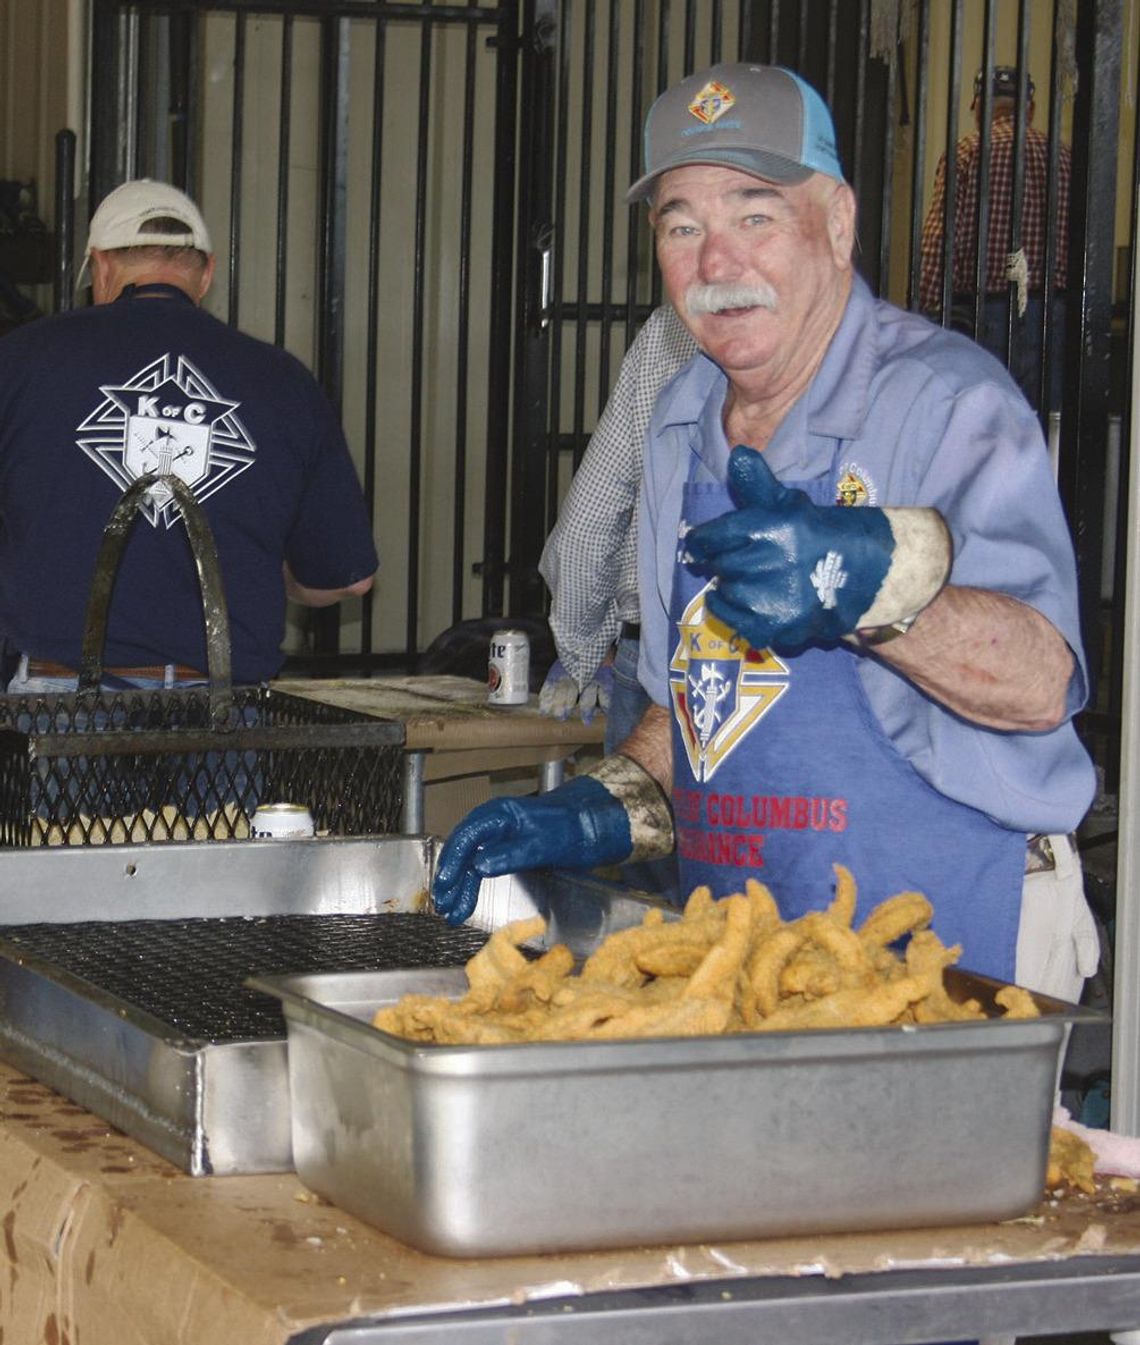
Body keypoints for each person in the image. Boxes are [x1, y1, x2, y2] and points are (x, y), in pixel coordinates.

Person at [432, 62, 1100, 1008]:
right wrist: (598, 809)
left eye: (755, 215)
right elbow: (700, 707)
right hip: (747, 951)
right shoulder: (678, 422)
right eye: (681, 225)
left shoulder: (947, 401)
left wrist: (868, 588)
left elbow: (1042, 683)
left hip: (950, 937)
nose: (716, 263)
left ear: (836, 222)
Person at [0, 179, 378, 693]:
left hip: (64, 703)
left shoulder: (21, 360)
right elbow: (347, 577)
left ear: (101, 266)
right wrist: (272, 572)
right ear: (206, 275)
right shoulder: (283, 381)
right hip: (222, 714)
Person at [538, 305, 697, 752]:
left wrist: (584, 649)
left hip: (653, 647)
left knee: (641, 817)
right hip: (784, 662)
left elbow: (586, 527)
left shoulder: (672, 328)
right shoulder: (839, 343)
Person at [919, 65, 1070, 412]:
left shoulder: (968, 152)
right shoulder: (1063, 158)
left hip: (986, 308)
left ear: (979, 107)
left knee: (985, 417)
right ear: (1029, 108)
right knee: (1048, 420)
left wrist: (928, 309)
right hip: (1052, 310)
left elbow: (940, 238)